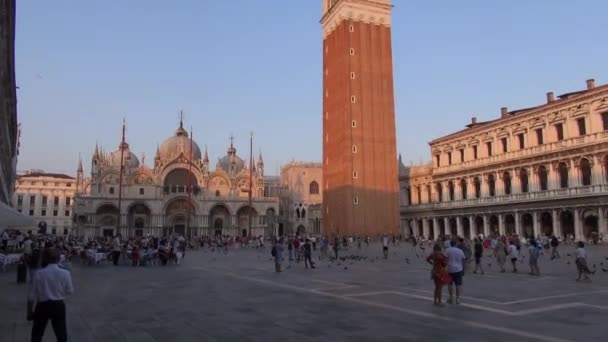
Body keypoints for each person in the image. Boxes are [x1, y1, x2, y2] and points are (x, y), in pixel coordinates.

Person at [27, 248, 74, 342]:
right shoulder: (66, 273)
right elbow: (70, 291)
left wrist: (29, 312)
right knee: (61, 333)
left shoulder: (38, 273)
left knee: (37, 334)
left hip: (42, 306)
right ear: (58, 258)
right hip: (58, 305)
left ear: (45, 259)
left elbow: (31, 296)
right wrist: (58, 291)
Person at [445, 240, 466, 304]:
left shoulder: (447, 250)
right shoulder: (460, 251)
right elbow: (463, 260)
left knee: (450, 284)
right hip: (458, 269)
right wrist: (463, 269)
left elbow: (445, 259)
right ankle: (457, 299)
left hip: (450, 269)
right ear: (456, 244)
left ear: (450, 244)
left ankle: (451, 298)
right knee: (458, 285)